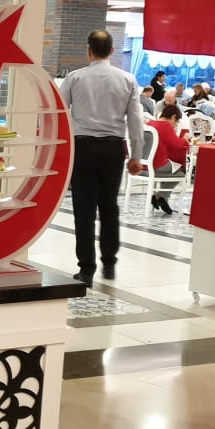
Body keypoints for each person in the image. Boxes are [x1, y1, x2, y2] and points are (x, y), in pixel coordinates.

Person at [60, 30, 144, 285]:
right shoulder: (127, 80)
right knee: (109, 206)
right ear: (112, 51)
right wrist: (136, 156)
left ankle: (86, 269)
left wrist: (60, 151)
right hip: (113, 150)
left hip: (82, 148)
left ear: (89, 50)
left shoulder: (75, 78)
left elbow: (59, 113)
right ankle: (109, 262)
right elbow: (136, 121)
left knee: (83, 209)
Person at [145, 103, 190, 215]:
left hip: (145, 165)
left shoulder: (150, 123)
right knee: (181, 172)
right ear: (173, 117)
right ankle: (161, 196)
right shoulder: (165, 125)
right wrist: (185, 139)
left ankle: (160, 197)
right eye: (176, 122)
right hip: (157, 165)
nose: (175, 125)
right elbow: (177, 145)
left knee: (173, 169)